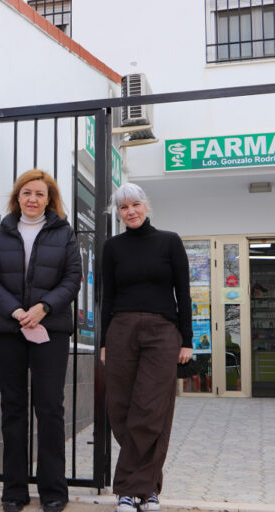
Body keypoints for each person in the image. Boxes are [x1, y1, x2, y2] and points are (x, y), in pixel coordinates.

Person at [0, 169, 81, 512]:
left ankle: (53, 491)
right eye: (26, 193)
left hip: (50, 329)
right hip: (8, 329)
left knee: (50, 408)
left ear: (49, 198)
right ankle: (14, 491)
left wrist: (43, 307)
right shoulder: (0, 232)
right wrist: (16, 311)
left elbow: (72, 279)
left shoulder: (64, 234)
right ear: (17, 197)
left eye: (39, 193)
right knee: (13, 408)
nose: (32, 199)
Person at [99, 183, 193, 512]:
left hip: (162, 332)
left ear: (147, 206)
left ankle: (132, 489)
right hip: (121, 330)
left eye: (136, 204)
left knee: (151, 410)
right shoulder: (112, 247)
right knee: (120, 409)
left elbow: (184, 293)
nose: (131, 211)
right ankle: (148, 485)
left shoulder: (170, 242)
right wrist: (104, 341)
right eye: (124, 207)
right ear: (118, 213)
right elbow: (106, 297)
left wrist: (187, 340)